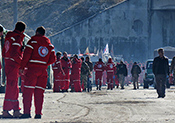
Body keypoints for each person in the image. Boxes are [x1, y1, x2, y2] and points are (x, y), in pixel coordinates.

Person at [20, 26, 56, 119]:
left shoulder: (32, 42)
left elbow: (26, 56)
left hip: (32, 70)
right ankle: (38, 113)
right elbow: (53, 59)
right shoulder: (49, 45)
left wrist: (22, 67)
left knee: (28, 91)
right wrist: (44, 64)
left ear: (36, 32)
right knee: (39, 93)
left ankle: (27, 113)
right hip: (43, 71)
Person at [2, 21, 26, 118]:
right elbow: (15, 54)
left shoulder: (8, 37)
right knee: (12, 88)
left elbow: (4, 53)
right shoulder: (17, 38)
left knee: (14, 88)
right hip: (13, 65)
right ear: (22, 30)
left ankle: (16, 109)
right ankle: (6, 110)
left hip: (8, 64)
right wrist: (22, 63)